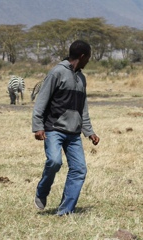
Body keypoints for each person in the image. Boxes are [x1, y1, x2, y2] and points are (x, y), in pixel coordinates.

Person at [32, 40, 100, 216]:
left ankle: (64, 211)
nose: (88, 61)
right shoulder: (57, 73)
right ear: (82, 56)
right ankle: (42, 190)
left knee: (79, 170)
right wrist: (38, 126)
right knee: (54, 162)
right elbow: (41, 101)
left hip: (74, 133)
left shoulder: (81, 78)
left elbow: (82, 107)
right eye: (88, 58)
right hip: (53, 129)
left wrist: (89, 131)